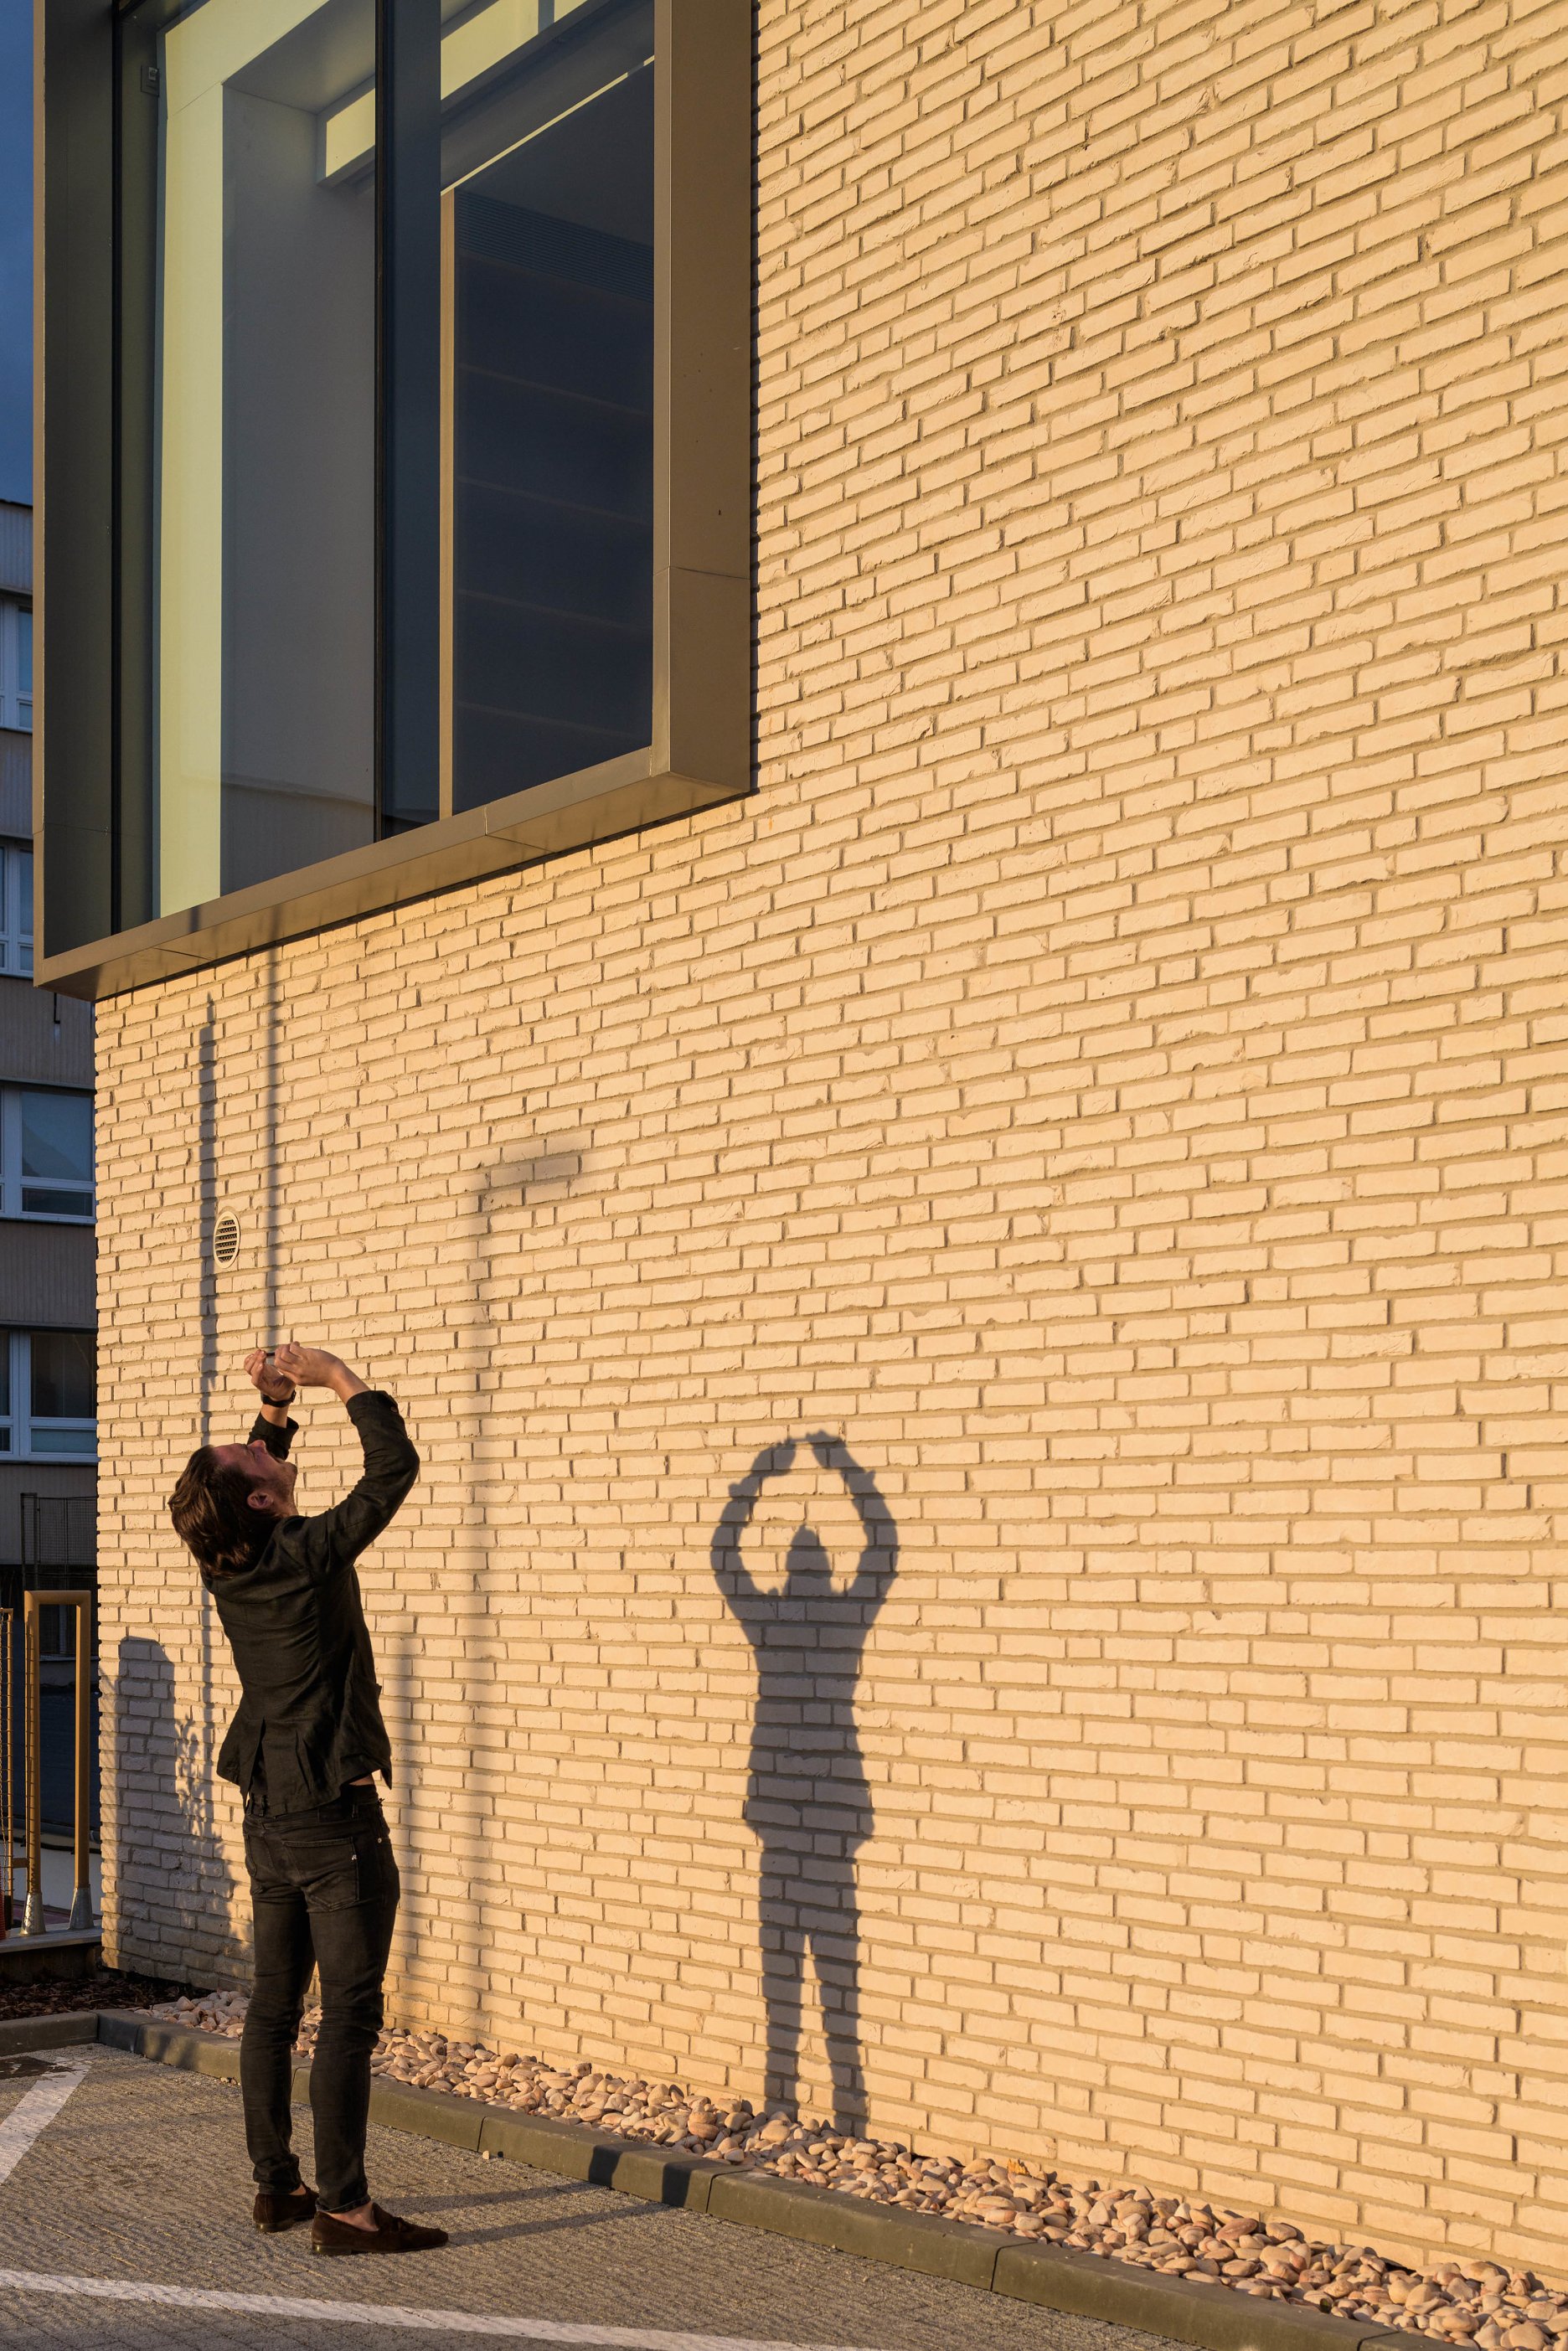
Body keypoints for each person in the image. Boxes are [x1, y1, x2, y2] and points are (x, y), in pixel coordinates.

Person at [168, 1343, 445, 2256]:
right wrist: (337, 1379)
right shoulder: (308, 1551)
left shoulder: (229, 1558)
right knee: (349, 2018)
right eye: (254, 1453)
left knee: (274, 2007)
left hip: (270, 1812)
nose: (262, 1446)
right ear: (258, 1500)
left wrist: (276, 1411)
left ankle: (278, 2186)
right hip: (333, 1816)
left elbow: (248, 1484)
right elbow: (392, 1469)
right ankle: (347, 2209)